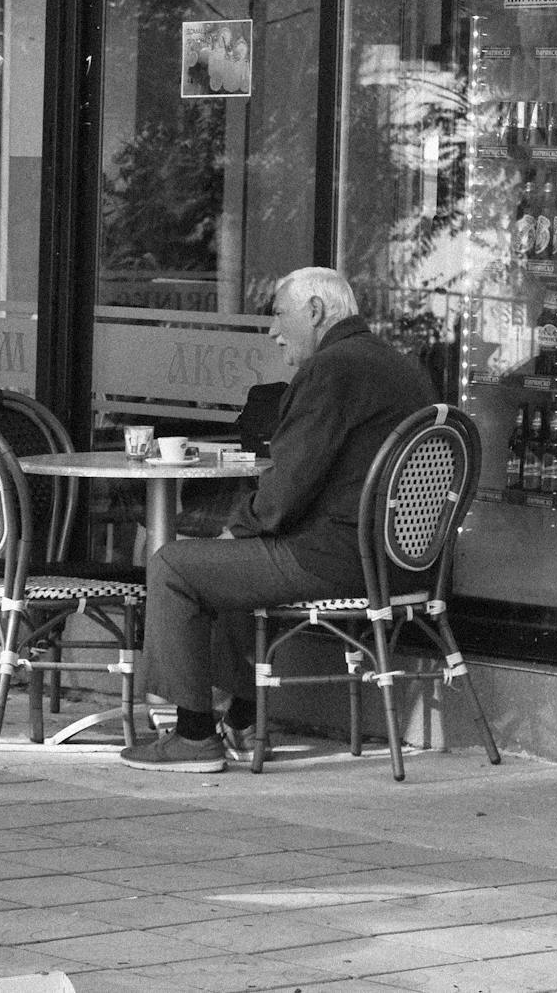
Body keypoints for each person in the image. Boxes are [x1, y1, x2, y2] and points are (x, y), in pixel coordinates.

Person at [119, 266, 438, 772]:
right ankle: (244, 714)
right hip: (403, 562)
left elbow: (286, 490)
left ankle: (194, 736)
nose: (271, 330)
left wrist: (236, 525)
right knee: (221, 566)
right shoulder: (404, 369)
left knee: (174, 567)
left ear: (314, 312)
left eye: (278, 315)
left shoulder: (331, 369)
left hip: (334, 557)